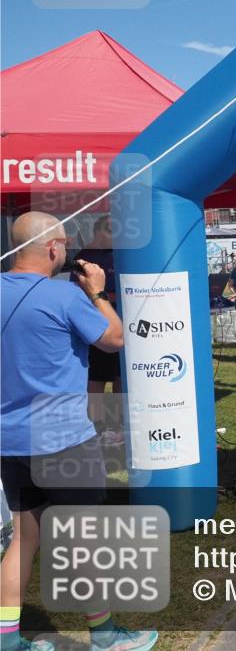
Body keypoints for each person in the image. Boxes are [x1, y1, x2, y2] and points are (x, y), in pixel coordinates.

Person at [1, 212, 157, 651]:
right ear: (53, 249)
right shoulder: (64, 296)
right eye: (65, 245)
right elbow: (115, 338)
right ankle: (106, 636)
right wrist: (99, 292)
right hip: (65, 439)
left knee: (23, 538)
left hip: (11, 440)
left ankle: (7, 638)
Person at [69, 215, 123, 447]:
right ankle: (98, 425)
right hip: (97, 327)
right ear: (101, 231)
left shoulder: (120, 253)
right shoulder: (85, 259)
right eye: (113, 231)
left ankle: (121, 422)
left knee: (122, 376)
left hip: (124, 326)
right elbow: (79, 293)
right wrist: (111, 296)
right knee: (97, 379)